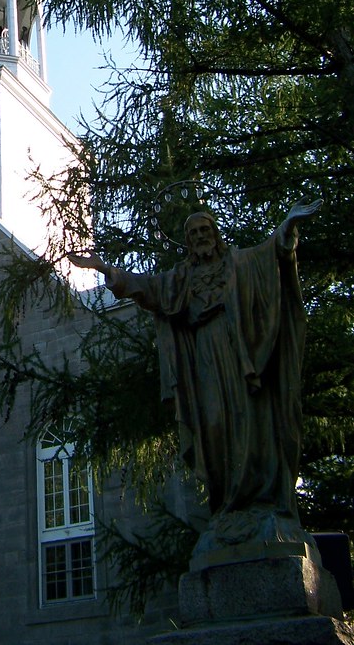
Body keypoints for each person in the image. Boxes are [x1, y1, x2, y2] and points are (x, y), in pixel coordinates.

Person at [70, 201, 321, 522]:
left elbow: (271, 252)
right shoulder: (181, 278)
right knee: (213, 424)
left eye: (205, 230)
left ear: (214, 233)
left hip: (241, 355)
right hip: (205, 356)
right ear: (188, 242)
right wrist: (106, 269)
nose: (201, 236)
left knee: (250, 420)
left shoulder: (240, 263)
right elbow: (147, 287)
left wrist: (287, 226)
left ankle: (259, 501)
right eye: (193, 233)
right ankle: (228, 502)